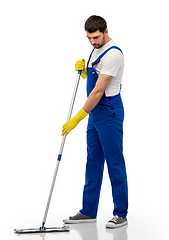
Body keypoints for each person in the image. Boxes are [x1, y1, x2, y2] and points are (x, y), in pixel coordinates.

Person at [62, 15, 128, 229]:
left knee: (114, 163)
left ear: (106, 31)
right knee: (93, 162)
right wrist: (82, 72)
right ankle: (88, 211)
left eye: (96, 37)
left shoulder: (114, 54)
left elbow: (99, 91)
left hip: (108, 111)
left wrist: (77, 119)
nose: (93, 42)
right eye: (89, 38)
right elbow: (93, 79)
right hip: (95, 113)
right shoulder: (95, 49)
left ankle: (120, 214)